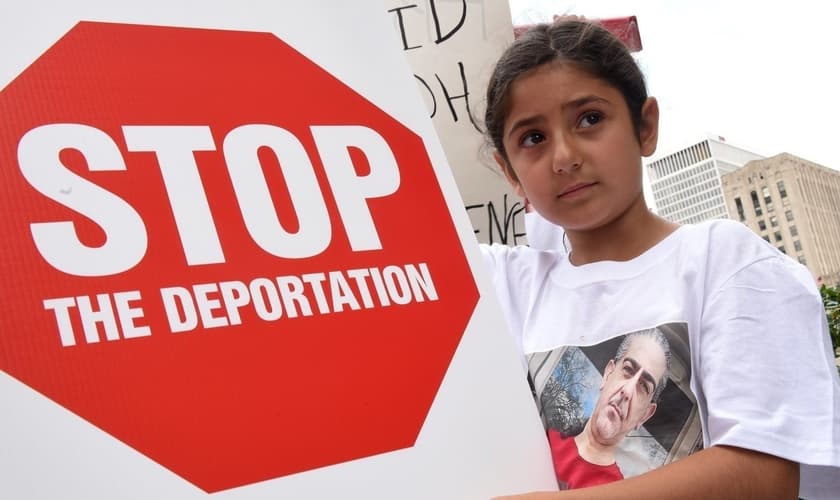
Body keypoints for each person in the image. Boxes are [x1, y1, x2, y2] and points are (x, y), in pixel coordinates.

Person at [480, 19, 840, 499]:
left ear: (645, 126)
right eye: (533, 138)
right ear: (510, 172)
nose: (564, 156)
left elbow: (763, 475)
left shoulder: (729, 264)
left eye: (589, 118)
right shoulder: (504, 286)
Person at [548, 329, 670, 489]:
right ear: (608, 374)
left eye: (643, 386)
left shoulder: (618, 493)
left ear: (645, 415)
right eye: (628, 369)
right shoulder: (545, 435)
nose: (627, 391)